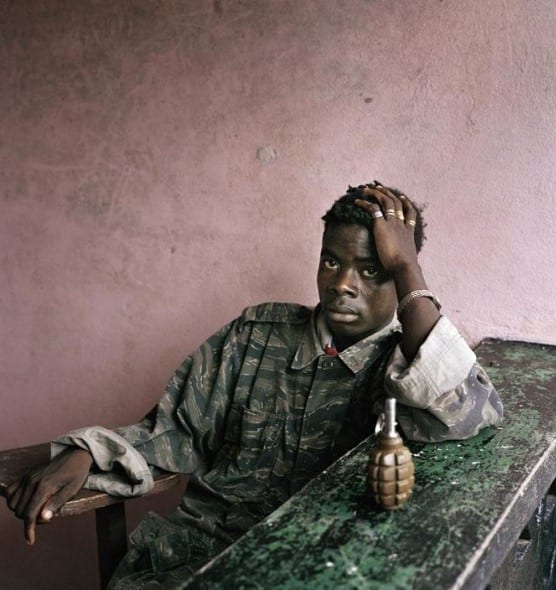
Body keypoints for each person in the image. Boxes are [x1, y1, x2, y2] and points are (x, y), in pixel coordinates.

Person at [6, 183, 503, 588]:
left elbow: (471, 409)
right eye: (331, 261)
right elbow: (177, 428)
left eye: (372, 270)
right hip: (197, 558)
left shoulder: (405, 368)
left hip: (319, 569)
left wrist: (407, 268)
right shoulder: (257, 334)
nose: (342, 283)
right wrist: (88, 452)